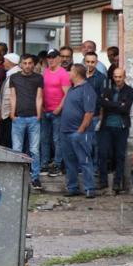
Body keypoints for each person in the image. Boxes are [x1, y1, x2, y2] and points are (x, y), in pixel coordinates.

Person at [59, 64, 97, 198]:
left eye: (70, 71)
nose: (68, 73)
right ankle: (72, 187)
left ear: (76, 73)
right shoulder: (71, 89)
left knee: (84, 160)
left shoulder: (87, 89)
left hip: (80, 132)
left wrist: (80, 130)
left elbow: (89, 113)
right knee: (69, 162)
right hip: (66, 131)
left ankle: (89, 188)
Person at [9, 54, 44, 190]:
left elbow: (39, 96)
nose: (28, 65)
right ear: (20, 64)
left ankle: (35, 177)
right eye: (25, 63)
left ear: (33, 64)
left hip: (33, 118)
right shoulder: (14, 77)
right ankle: (17, 176)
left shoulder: (38, 78)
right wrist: (12, 114)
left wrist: (39, 114)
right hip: (18, 117)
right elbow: (13, 96)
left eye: (30, 63)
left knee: (34, 149)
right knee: (17, 149)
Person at [98, 68, 133, 193]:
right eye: (115, 77)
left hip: (121, 127)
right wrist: (119, 104)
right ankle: (103, 181)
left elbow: (126, 109)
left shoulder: (130, 91)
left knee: (119, 156)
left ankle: (117, 183)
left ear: (124, 77)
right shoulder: (108, 90)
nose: (117, 79)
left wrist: (111, 104)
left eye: (120, 77)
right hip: (106, 126)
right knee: (103, 153)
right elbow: (102, 103)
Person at [42, 48, 70, 176]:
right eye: (49, 57)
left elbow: (67, 93)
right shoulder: (45, 71)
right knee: (44, 138)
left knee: (57, 139)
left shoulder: (63, 73)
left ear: (59, 58)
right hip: (45, 110)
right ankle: (45, 163)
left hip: (57, 111)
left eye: (53, 57)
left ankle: (58, 164)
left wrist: (59, 107)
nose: (51, 60)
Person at [83, 52, 106, 176]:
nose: (90, 64)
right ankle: (84, 167)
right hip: (81, 116)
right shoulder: (80, 76)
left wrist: (101, 117)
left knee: (95, 144)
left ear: (96, 63)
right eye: (88, 62)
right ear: (84, 62)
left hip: (95, 115)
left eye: (92, 62)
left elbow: (103, 99)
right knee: (83, 142)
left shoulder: (101, 78)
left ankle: (95, 168)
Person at [0, 52, 21, 148]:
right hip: (6, 113)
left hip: (11, 114)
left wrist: (7, 112)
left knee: (9, 141)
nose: (3, 63)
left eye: (5, 61)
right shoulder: (11, 73)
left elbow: (11, 95)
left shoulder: (16, 74)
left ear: (11, 62)